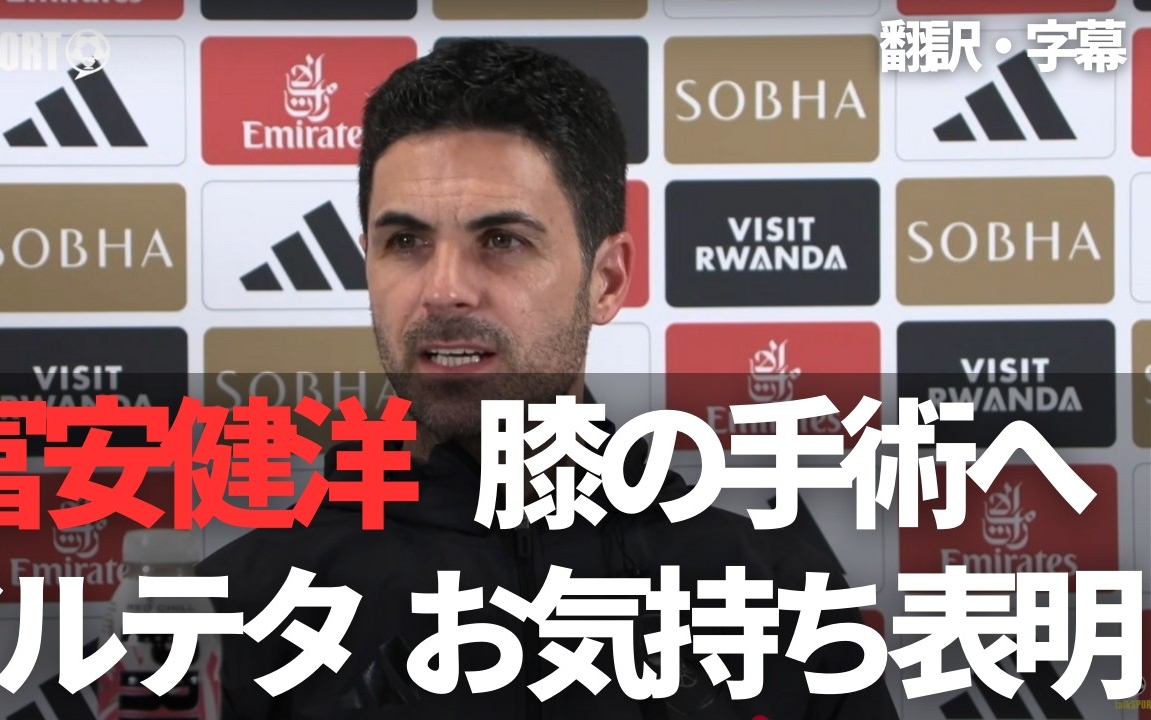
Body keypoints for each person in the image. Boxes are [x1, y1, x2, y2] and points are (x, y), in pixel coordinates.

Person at [199, 38, 900, 720]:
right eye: (405, 242)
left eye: (502, 241)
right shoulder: (233, 613)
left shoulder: (779, 596)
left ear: (607, 280)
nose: (443, 290)